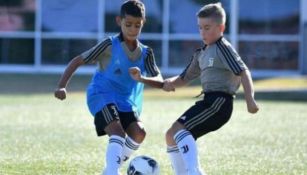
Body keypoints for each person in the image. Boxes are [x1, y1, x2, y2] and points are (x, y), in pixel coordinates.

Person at [54, 1, 163, 175]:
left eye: (137, 25)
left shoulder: (146, 53)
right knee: (118, 133)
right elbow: (78, 60)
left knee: (139, 133)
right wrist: (61, 86)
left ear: (143, 23)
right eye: (128, 25)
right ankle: (112, 171)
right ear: (119, 21)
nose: (133, 30)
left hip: (126, 101)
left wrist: (142, 78)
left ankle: (112, 167)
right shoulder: (109, 45)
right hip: (102, 94)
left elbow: (160, 81)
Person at [163, 3, 259, 175]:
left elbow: (243, 72)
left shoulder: (223, 48)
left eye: (207, 28)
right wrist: (170, 82)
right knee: (171, 135)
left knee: (179, 130)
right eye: (200, 28)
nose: (202, 32)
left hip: (219, 103)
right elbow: (184, 78)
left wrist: (250, 100)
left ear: (221, 27)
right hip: (208, 102)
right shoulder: (201, 53)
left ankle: (194, 172)